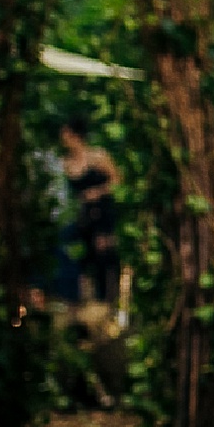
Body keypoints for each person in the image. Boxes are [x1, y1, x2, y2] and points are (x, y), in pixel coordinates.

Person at [57, 117, 122, 305]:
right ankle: (72, 298)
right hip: (81, 215)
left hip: (102, 214)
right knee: (69, 249)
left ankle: (107, 303)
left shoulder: (98, 156)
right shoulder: (67, 163)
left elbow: (117, 180)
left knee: (103, 256)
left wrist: (99, 192)